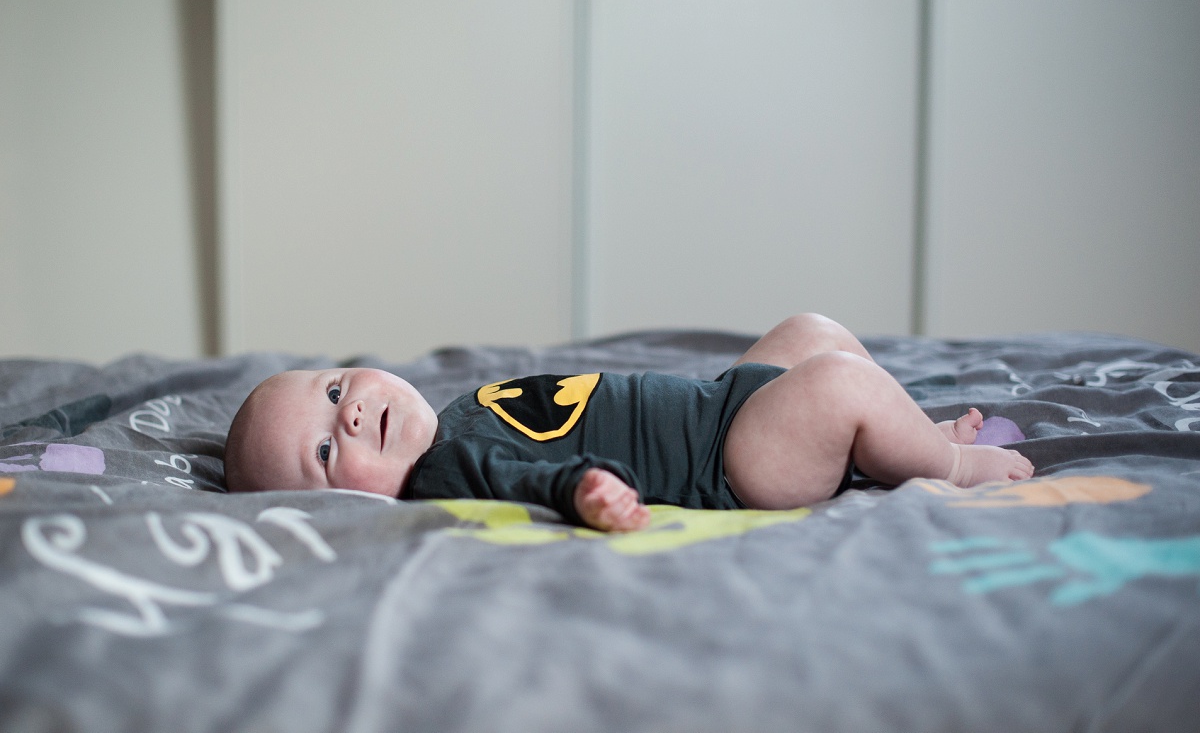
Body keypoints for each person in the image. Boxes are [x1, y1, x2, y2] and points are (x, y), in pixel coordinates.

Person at [223, 313, 1034, 532]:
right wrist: (584, 491)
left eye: (335, 389)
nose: (355, 408)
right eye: (328, 447)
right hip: (735, 464)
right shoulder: (444, 470)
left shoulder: (455, 414)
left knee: (811, 334)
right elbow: (529, 475)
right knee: (835, 382)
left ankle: (905, 436)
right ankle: (950, 469)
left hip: (723, 405)